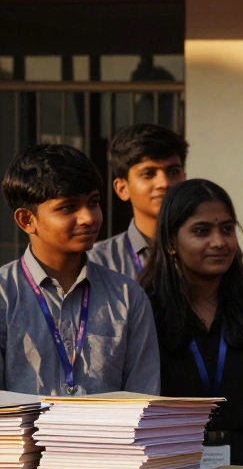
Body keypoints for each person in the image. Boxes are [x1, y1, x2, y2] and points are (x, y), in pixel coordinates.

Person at [140, 179, 243, 467]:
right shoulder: (147, 311)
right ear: (171, 242)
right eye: (201, 231)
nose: (219, 242)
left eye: (227, 229)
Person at [0, 144, 160, 396]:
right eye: (68, 207)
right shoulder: (4, 295)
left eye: (93, 202)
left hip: (111, 436)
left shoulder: (128, 297)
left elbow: (144, 402)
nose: (88, 217)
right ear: (26, 220)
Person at [88, 124, 187, 278]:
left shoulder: (208, 251)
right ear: (122, 189)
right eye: (148, 174)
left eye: (173, 172)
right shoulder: (98, 261)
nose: (164, 183)